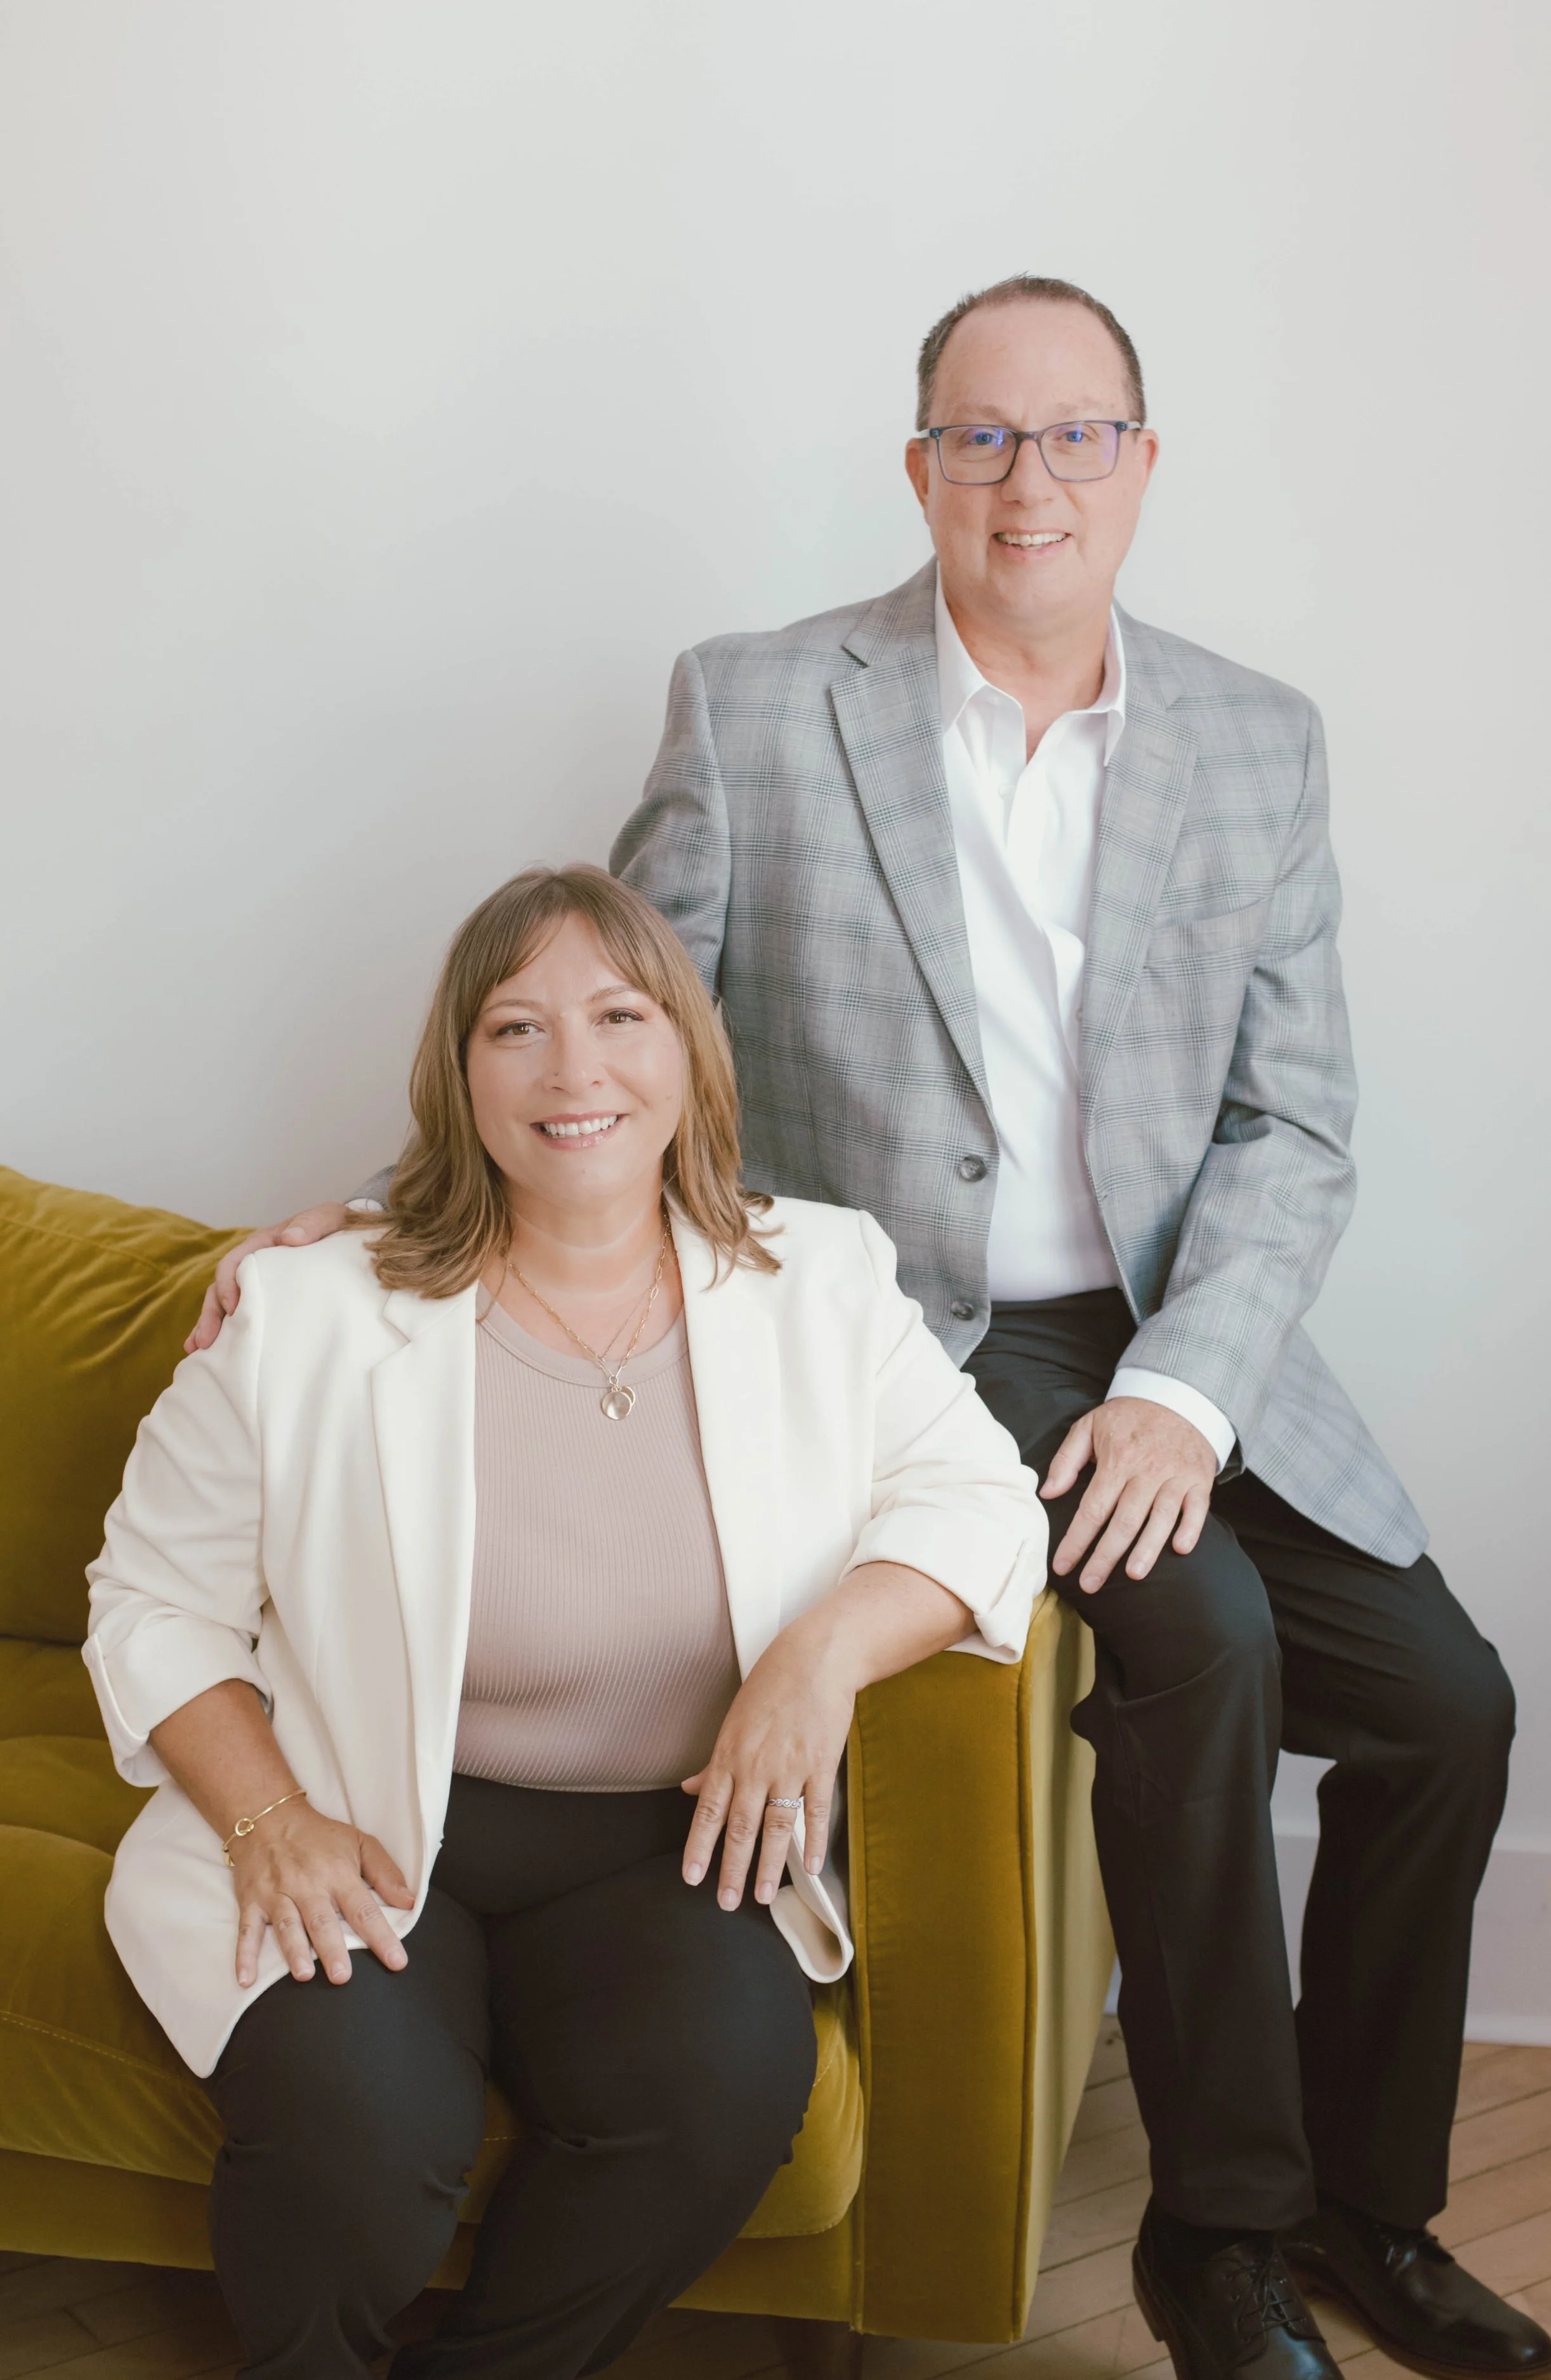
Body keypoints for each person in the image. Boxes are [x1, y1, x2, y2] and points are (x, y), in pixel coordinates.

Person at [189, 281, 1551, 2380]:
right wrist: (405, 1206)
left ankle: (1371, 2209)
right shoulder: (759, 706)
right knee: (1202, 1642)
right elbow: (627, 1034)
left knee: (1450, 1708)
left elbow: (1295, 1125)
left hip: (1181, 1337)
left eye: (1076, 435)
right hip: (907, 1328)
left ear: (1144, 462)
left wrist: (1189, 1390)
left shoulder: (1256, 739)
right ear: (918, 465)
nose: (1031, 481)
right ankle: (1223, 2241)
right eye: (983, 438)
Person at [87, 865, 1048, 2380]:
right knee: (360, 2142)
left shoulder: (823, 1280)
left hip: (675, 1839)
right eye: (515, 1029)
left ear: (688, 1051)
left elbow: (988, 1506)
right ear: (460, 1076)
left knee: (719, 2088)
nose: (574, 1070)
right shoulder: (308, 1310)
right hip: (368, 1819)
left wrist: (818, 1656)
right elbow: (149, 1599)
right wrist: (266, 1815)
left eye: (618, 1015)